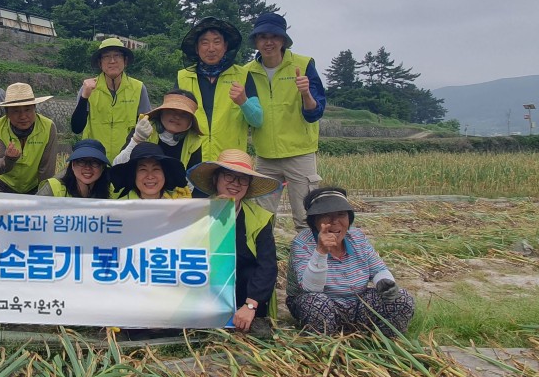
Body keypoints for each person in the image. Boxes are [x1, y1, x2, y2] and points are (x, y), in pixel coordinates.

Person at [286, 187, 414, 337]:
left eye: (341, 215)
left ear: (349, 219)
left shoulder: (357, 237)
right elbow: (311, 288)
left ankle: (384, 343)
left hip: (356, 303)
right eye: (326, 215)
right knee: (317, 302)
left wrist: (385, 283)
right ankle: (326, 346)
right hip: (319, 304)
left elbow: (378, 269)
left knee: (401, 298)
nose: (335, 222)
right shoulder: (302, 243)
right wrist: (321, 252)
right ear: (314, 220)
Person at [245, 13, 326, 231]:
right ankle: (265, 264)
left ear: (283, 40)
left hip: (299, 153)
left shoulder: (304, 64)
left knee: (306, 218)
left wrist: (306, 94)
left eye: (274, 36)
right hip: (265, 157)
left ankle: (307, 264)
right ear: (256, 41)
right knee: (260, 219)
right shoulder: (247, 72)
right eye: (262, 37)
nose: (268, 42)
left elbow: (315, 112)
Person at [189, 150, 282, 338]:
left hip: (245, 295)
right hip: (205, 291)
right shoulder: (196, 213)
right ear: (216, 179)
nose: (235, 184)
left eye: (242, 179)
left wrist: (250, 305)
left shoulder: (260, 218)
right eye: (229, 176)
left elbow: (267, 266)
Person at [175, 17, 263, 162]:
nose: (211, 48)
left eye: (217, 42)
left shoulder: (243, 76)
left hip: (231, 162)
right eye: (204, 43)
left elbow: (258, 120)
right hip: (191, 160)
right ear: (197, 48)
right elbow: (171, 119)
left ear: (225, 46)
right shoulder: (183, 77)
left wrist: (244, 102)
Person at [113, 89, 205, 198]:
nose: (177, 117)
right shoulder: (143, 128)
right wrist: (137, 139)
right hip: (137, 196)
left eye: (184, 114)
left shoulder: (194, 141)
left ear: (190, 122)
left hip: (172, 201)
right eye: (172, 110)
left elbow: (190, 180)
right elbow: (118, 165)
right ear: (161, 112)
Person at [70, 38, 152, 158]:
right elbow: (76, 128)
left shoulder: (138, 88)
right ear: (100, 63)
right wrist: (84, 97)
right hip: (95, 159)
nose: (112, 61)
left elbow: (146, 126)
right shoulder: (88, 88)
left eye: (117, 56)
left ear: (125, 60)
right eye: (106, 57)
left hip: (128, 158)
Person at [0, 82, 58, 194]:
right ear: (7, 113)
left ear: (34, 108)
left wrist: (43, 197)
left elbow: (46, 169)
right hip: (3, 184)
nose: (23, 116)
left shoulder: (48, 127)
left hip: (33, 186)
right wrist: (8, 159)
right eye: (15, 111)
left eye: (28, 110)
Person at [110, 143, 188, 200]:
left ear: (164, 173)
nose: (150, 176)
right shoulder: (118, 209)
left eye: (156, 169)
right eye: (143, 169)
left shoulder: (180, 205)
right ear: (133, 175)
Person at [38, 139, 113, 198]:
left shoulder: (113, 191)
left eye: (94, 162)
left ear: (103, 167)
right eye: (81, 161)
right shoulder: (53, 188)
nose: (87, 167)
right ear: (72, 165)